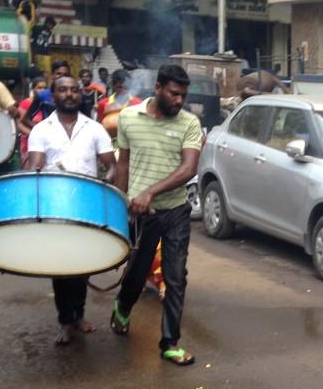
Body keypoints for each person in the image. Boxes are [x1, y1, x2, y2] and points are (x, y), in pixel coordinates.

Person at [110, 64, 201, 366]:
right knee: (137, 272)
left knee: (176, 277)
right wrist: (120, 202)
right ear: (159, 87)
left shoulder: (190, 122)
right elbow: (123, 163)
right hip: (140, 212)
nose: (179, 101)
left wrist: (152, 192)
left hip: (175, 209)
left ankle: (170, 342)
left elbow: (189, 169)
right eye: (174, 94)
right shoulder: (127, 118)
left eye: (183, 96)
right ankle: (122, 309)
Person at [25, 76, 116, 345]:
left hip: (86, 208)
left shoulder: (95, 129)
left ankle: (79, 314)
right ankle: (65, 321)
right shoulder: (41, 129)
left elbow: (111, 165)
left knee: (83, 265)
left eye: (74, 90)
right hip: (55, 208)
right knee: (60, 267)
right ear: (53, 95)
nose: (69, 94)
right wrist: (36, 173)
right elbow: (35, 166)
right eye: (63, 90)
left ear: (81, 95)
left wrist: (107, 180)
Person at [21, 60, 70, 131]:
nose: (62, 77)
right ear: (52, 75)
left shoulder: (74, 96)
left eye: (65, 75)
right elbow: (26, 119)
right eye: (58, 74)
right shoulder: (42, 95)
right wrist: (42, 131)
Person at [18, 76, 47, 160]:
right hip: (29, 141)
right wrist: (33, 135)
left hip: (46, 142)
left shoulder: (48, 104)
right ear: (33, 89)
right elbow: (20, 124)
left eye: (45, 88)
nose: (43, 90)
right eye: (39, 88)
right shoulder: (25, 103)